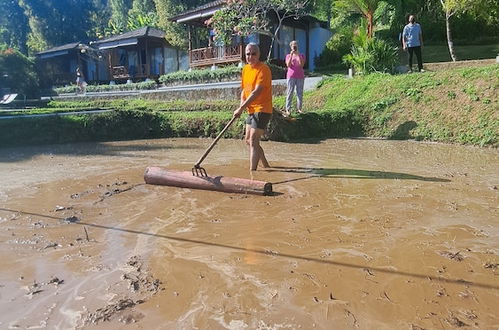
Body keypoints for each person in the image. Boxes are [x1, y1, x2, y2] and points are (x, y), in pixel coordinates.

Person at [233, 43, 272, 172]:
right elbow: (244, 90)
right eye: (248, 54)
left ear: (259, 54)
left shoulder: (263, 69)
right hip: (251, 109)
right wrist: (241, 106)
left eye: (253, 53)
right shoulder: (245, 69)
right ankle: (267, 166)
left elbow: (256, 91)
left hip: (262, 109)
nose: (250, 56)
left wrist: (241, 108)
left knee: (254, 140)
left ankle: (252, 173)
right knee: (248, 141)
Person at [285, 40, 305, 116]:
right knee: (290, 92)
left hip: (300, 76)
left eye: (296, 45)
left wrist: (298, 55)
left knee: (299, 93)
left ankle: (299, 109)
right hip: (291, 76)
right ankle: (288, 109)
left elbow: (301, 65)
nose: (294, 47)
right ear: (291, 47)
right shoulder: (288, 56)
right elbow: (288, 65)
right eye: (293, 45)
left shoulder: (301, 55)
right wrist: (291, 55)